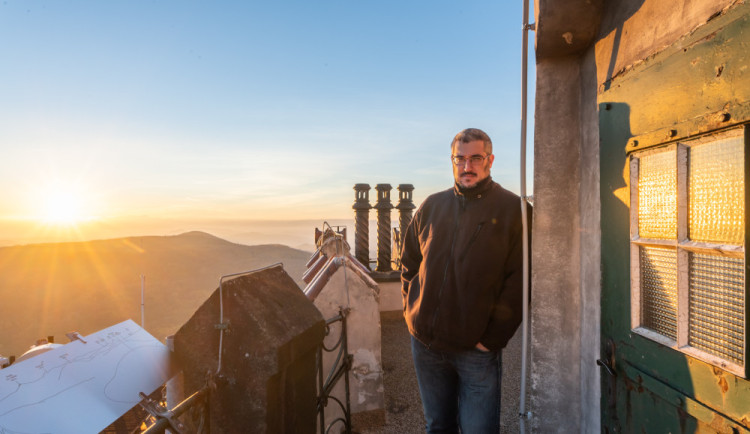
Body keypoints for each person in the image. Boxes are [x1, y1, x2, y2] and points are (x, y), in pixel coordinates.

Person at [400, 128, 526, 433]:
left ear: (490, 160)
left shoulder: (514, 210)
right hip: (426, 346)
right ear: (452, 161)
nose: (467, 166)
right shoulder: (431, 206)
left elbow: (521, 280)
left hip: (476, 351)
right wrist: (411, 312)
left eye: (476, 158)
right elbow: (408, 263)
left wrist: (491, 341)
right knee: (438, 426)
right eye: (460, 159)